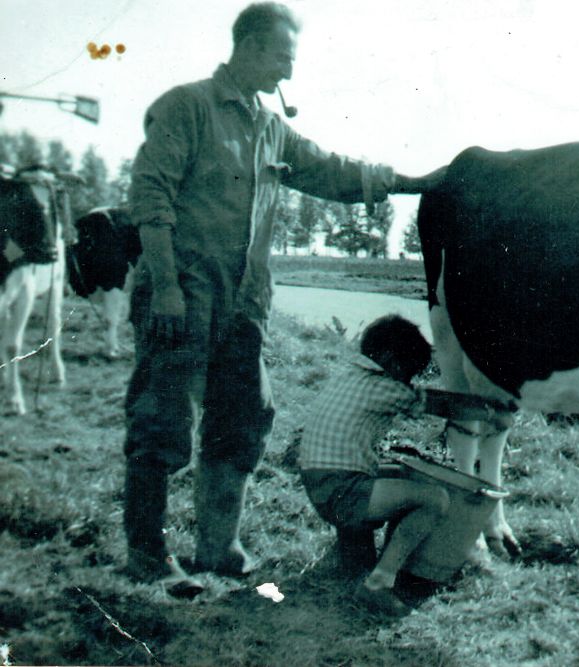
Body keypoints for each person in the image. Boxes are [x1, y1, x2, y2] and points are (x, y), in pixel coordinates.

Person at [122, 2, 400, 588]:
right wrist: (167, 288)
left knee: (246, 414)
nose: (289, 73)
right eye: (283, 57)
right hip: (182, 294)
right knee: (162, 421)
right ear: (248, 47)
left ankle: (217, 548)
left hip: (243, 302)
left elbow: (328, 169)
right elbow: (150, 199)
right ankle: (147, 552)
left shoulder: (271, 128)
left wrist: (404, 182)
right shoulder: (186, 107)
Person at [298, 315, 449, 616]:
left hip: (321, 482)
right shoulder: (384, 387)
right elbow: (437, 404)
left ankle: (354, 560)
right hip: (340, 491)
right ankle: (379, 583)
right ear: (390, 361)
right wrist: (492, 407)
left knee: (398, 472)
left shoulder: (349, 375)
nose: (406, 381)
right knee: (434, 499)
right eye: (406, 373)